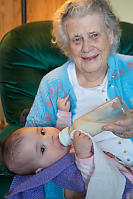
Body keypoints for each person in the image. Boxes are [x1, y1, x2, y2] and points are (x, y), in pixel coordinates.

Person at [11, 0, 133, 197]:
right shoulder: (52, 84)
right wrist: (73, 190)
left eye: (94, 35)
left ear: (110, 35)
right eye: (76, 39)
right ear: (67, 45)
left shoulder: (131, 69)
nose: (86, 47)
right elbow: (29, 154)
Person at [1, 97, 133, 199]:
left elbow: (63, 132)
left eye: (42, 132)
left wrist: (63, 113)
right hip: (122, 190)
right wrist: (83, 155)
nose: (50, 138)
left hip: (123, 169)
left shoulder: (57, 149)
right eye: (42, 149)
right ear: (41, 170)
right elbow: (88, 183)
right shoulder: (62, 173)